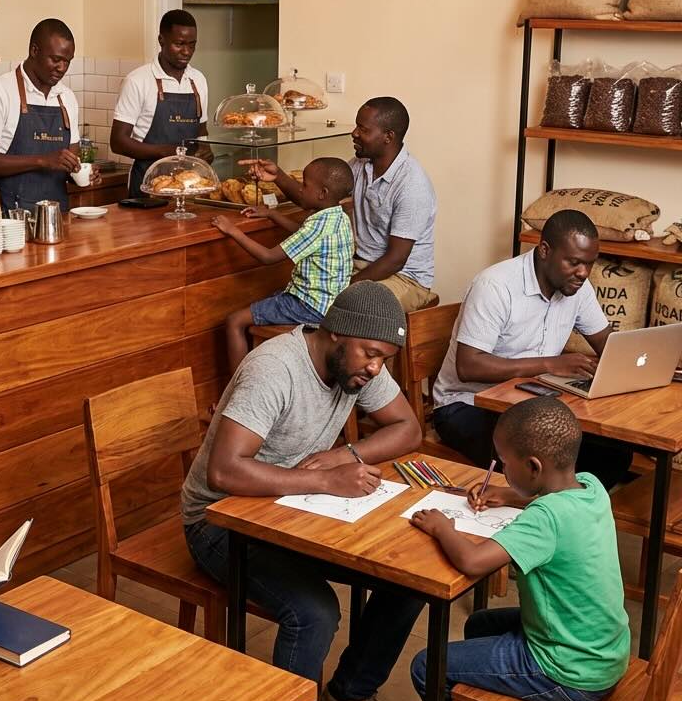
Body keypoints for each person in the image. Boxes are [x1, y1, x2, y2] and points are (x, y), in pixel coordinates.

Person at [182, 283, 425, 701]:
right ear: (336, 333)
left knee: (411, 577)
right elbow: (225, 472)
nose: (375, 369)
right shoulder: (274, 369)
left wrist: (343, 455)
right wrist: (323, 481)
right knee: (314, 611)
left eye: (384, 359)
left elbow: (408, 428)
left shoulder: (356, 365)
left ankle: (347, 696)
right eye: (371, 355)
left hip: (295, 509)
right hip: (219, 520)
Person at [409, 397, 630, 701]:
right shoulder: (591, 487)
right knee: (480, 624)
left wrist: (443, 526)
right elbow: (549, 501)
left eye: (503, 462)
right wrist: (509, 495)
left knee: (428, 665)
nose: (498, 468)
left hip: (566, 669)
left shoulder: (545, 518)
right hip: (602, 651)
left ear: (532, 467)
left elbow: (472, 561)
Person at [432, 208, 632, 489]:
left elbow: (606, 344)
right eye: (574, 262)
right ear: (545, 250)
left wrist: (644, 357)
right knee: (557, 459)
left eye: (589, 263)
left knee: (615, 452)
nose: (583, 273)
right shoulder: (496, 286)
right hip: (466, 405)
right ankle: (541, 517)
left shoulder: (577, 288)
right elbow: (468, 366)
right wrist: (550, 364)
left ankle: (559, 518)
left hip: (528, 404)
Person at [210, 157, 354, 373]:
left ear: (322, 193)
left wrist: (232, 231)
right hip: (329, 305)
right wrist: (272, 214)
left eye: (304, 185)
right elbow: (302, 235)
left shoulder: (318, 225)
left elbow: (268, 257)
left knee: (235, 321)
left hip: (308, 307)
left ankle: (238, 391)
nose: (300, 190)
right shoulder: (337, 218)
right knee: (267, 301)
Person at [0, 18, 100, 213]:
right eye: (55, 59)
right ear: (34, 51)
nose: (62, 68)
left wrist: (81, 172)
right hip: (11, 218)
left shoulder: (66, 98)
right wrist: (42, 160)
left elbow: (70, 160)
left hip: (56, 218)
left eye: (67, 61)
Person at [347, 97, 437, 312]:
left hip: (405, 278)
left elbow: (396, 260)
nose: (354, 133)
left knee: (350, 308)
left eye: (363, 129)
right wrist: (278, 178)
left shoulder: (412, 184)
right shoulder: (361, 165)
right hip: (362, 266)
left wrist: (347, 288)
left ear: (388, 137)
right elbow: (324, 191)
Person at [111, 9, 212, 196]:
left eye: (192, 45)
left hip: (190, 187)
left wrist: (206, 150)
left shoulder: (198, 80)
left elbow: (201, 130)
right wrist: (164, 152)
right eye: (179, 44)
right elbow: (118, 142)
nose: (187, 51)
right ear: (161, 40)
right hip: (148, 187)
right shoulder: (137, 81)